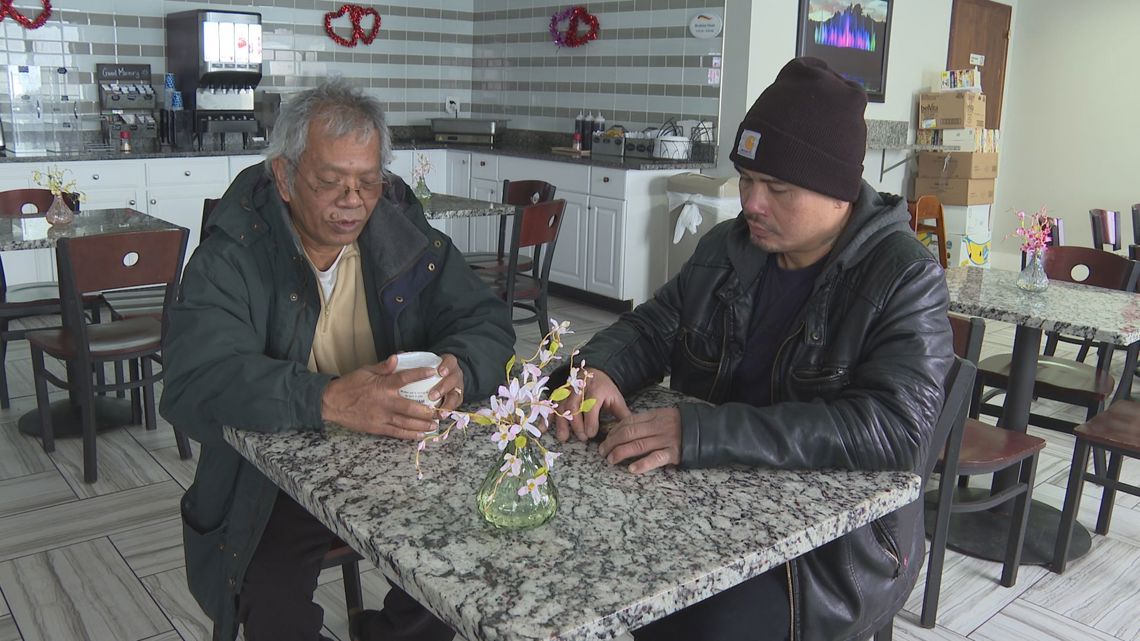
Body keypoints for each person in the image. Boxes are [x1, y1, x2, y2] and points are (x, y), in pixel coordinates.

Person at [553, 57, 954, 641]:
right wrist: (597, 371)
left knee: (688, 624)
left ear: (839, 192)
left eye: (778, 188)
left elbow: (895, 428)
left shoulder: (902, 275)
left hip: (834, 553)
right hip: (710, 509)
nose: (752, 204)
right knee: (581, 568)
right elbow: (652, 327)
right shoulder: (729, 248)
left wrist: (702, 433)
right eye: (746, 179)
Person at [160, 79, 515, 641]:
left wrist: (461, 369)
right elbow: (192, 380)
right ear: (284, 176)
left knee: (464, 558)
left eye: (368, 182)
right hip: (278, 473)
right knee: (271, 593)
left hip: (401, 457)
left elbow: (486, 321)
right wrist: (323, 399)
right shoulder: (235, 253)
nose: (353, 201)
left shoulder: (399, 233)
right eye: (330, 183)